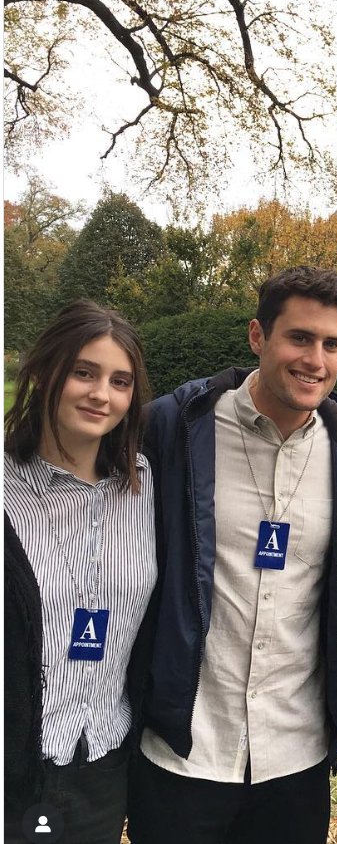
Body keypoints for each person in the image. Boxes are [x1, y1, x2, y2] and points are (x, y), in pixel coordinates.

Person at [126, 266, 337, 844]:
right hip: (185, 749)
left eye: (332, 344)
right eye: (300, 338)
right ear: (258, 336)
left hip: (295, 756)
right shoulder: (176, 429)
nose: (316, 359)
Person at [4, 301, 157, 844]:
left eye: (120, 381)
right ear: (45, 371)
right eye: (84, 372)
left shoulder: (144, 487)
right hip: (18, 769)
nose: (101, 395)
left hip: (104, 761)